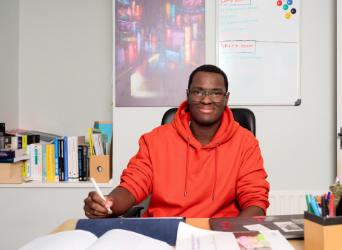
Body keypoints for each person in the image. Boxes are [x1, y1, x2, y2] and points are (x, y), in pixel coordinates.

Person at [84, 65, 270, 218]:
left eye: (215, 93)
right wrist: (108, 203)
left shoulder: (246, 142)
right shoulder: (155, 140)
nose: (206, 100)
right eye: (198, 92)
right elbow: (133, 185)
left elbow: (255, 200)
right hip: (164, 232)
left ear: (226, 98)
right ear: (188, 95)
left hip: (219, 233)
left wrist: (231, 237)